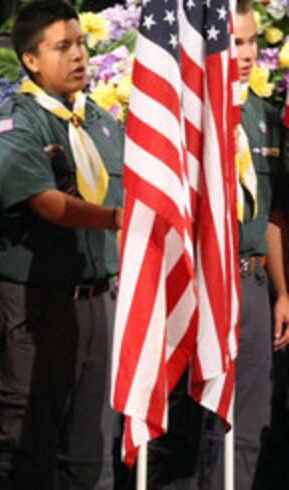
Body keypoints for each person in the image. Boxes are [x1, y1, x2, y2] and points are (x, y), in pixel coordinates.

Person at [0, 1, 124, 488]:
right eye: (63, 47)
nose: (79, 56)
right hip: (35, 305)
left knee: (89, 455)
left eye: (81, 43)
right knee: (30, 452)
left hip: (96, 301)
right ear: (31, 61)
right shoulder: (16, 124)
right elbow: (44, 201)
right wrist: (116, 219)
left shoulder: (102, 124)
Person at [194, 2, 289, 489]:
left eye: (253, 41)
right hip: (204, 281)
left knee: (248, 422)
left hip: (252, 281)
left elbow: (272, 212)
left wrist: (282, 290)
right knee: (201, 424)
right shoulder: (189, 115)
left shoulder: (264, 117)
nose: (247, 53)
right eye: (236, 41)